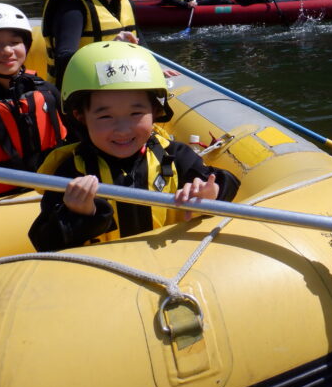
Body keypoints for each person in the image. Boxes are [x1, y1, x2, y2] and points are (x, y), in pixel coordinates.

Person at [28, 40, 240, 251]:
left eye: (136, 114)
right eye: (105, 117)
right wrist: (78, 214)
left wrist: (212, 195)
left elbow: (227, 185)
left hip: (171, 269)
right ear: (81, 117)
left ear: (156, 111)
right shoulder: (70, 172)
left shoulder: (176, 156)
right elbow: (44, 243)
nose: (123, 129)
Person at [0, 3, 68, 201]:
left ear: (26, 46)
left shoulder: (46, 90)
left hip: (54, 189)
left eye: (15, 42)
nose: (7, 50)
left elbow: (78, 137)